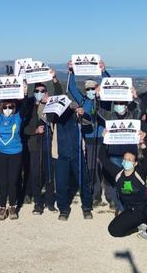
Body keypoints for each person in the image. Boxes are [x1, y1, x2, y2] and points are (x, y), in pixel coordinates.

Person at [95, 74, 147, 211]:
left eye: (122, 103)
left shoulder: (133, 115)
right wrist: (98, 97)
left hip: (129, 155)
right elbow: (99, 111)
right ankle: (117, 204)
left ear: (126, 104)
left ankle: (128, 207)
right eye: (116, 103)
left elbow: (141, 109)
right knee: (114, 181)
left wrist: (135, 96)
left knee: (128, 183)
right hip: (113, 153)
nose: (119, 105)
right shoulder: (110, 117)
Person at [52, 71, 94, 221]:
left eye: (70, 103)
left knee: (84, 182)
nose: (68, 105)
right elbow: (45, 114)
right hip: (61, 155)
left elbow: (88, 121)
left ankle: (87, 207)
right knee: (61, 184)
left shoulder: (77, 114)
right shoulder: (54, 116)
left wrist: (82, 113)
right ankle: (63, 209)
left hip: (77, 153)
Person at [100, 139, 147, 240]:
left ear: (135, 163)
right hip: (132, 210)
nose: (126, 161)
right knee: (113, 230)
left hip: (145, 207)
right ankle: (139, 227)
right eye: (125, 159)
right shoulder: (117, 173)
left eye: (130, 160)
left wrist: (143, 145)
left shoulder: (140, 172)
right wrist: (105, 141)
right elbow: (102, 157)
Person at [66, 60, 105, 207]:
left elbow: (112, 86)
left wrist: (103, 71)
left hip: (102, 137)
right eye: (88, 89)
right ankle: (95, 194)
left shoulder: (103, 100)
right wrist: (71, 71)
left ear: (97, 88)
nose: (90, 91)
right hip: (88, 138)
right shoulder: (82, 100)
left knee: (103, 166)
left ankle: (109, 194)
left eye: (93, 88)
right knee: (91, 166)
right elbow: (71, 87)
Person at [22, 70, 61, 214]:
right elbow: (24, 128)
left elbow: (59, 94)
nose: (39, 92)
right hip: (34, 145)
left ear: (46, 91)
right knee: (36, 174)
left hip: (49, 144)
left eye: (42, 90)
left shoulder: (50, 104)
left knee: (50, 174)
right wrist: (34, 131)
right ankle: (38, 203)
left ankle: (50, 202)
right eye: (37, 90)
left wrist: (55, 79)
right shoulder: (30, 105)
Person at [0, 87, 26, 220]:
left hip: (16, 152)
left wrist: (24, 92)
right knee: (3, 181)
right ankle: (2, 206)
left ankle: (12, 206)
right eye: (5, 106)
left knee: (13, 181)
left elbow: (25, 105)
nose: (8, 109)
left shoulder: (17, 118)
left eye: (10, 106)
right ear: (2, 107)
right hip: (0, 153)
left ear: (14, 107)